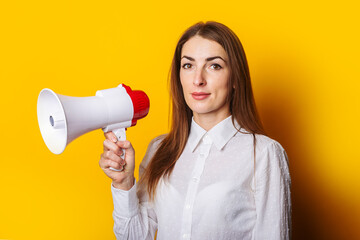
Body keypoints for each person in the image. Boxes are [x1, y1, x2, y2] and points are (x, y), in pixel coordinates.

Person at [99, 21, 291, 240]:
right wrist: (123, 184)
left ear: (236, 77)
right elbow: (133, 237)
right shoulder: (159, 149)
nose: (198, 80)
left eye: (214, 66)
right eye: (188, 66)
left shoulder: (264, 154)